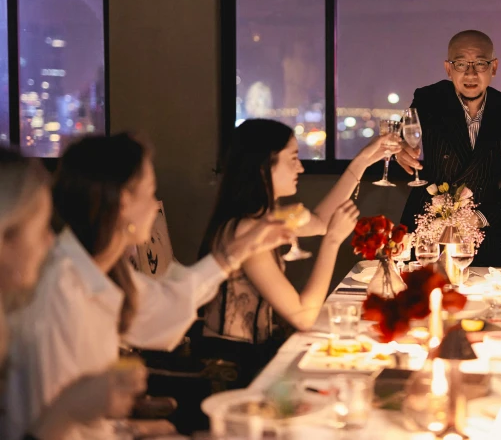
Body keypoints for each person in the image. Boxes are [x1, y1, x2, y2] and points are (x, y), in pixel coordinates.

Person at [3, 134, 293, 440]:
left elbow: (166, 306)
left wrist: (131, 426)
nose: (156, 205)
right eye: (151, 192)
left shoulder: (100, 272)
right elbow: (50, 420)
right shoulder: (61, 290)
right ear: (124, 202)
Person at [197, 119, 397, 382]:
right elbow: (303, 316)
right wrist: (333, 243)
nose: (300, 168)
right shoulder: (246, 231)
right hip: (232, 368)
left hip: (259, 352)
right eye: (293, 159)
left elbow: (321, 222)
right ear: (264, 166)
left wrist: (362, 159)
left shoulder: (267, 215)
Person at [0, 148, 146, 440]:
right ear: (5, 236)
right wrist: (71, 407)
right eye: (42, 228)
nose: (51, 240)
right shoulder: (59, 288)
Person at [396, 30, 501, 266]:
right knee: (417, 295)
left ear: (494, 67)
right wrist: (399, 149)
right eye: (460, 64)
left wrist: (479, 218)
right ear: (448, 69)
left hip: (483, 227)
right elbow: (402, 137)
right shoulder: (429, 99)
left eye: (480, 63)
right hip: (427, 225)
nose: (470, 73)